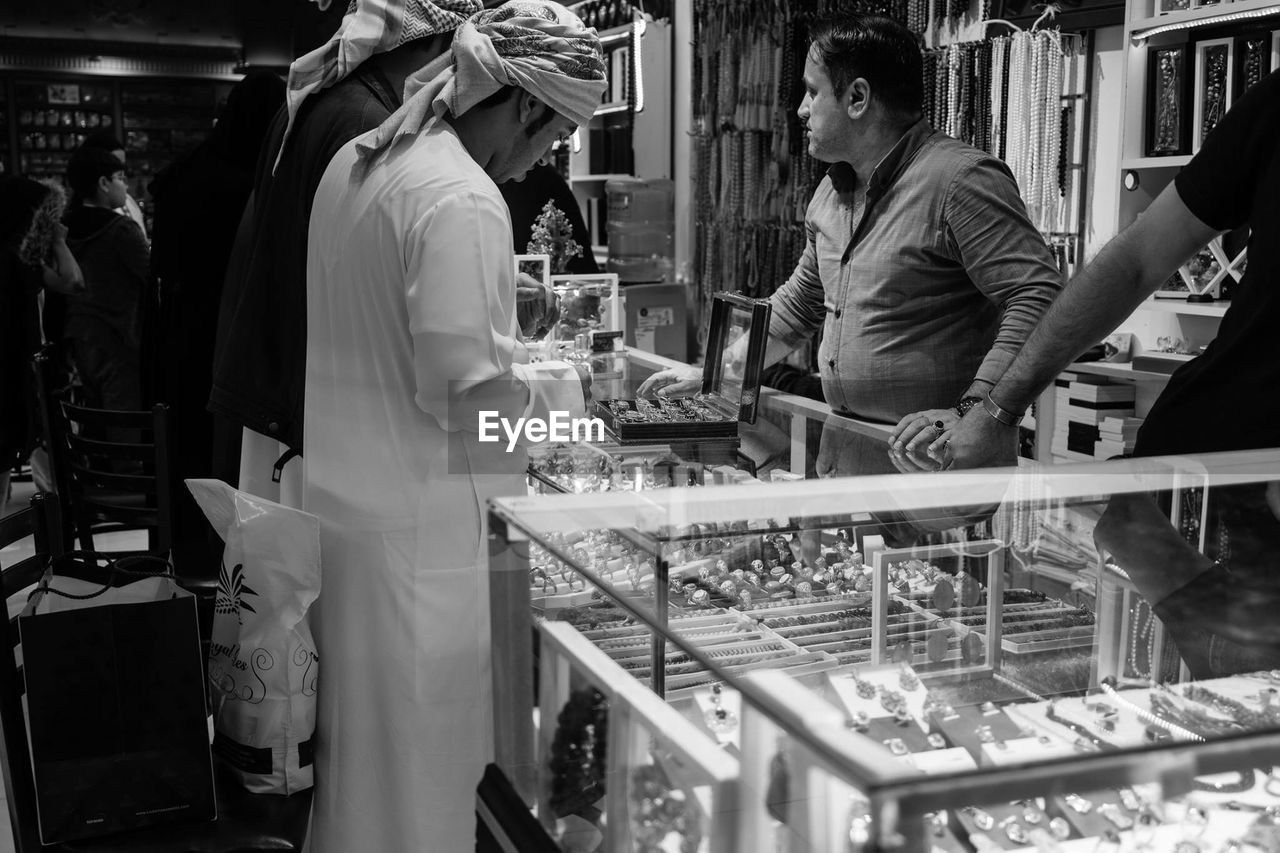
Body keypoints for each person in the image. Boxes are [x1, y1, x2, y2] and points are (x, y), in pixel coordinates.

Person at [302, 3, 605, 850]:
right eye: (554, 138)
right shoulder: (462, 198)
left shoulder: (356, 168)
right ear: (529, 106)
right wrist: (569, 414)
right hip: (421, 552)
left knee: (360, 781)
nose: (542, 160)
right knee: (426, 787)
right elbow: (468, 411)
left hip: (349, 525)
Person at [941, 69, 1280, 675]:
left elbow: (1117, 264)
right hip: (1201, 494)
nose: (804, 111)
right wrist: (997, 408)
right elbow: (1135, 260)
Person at [638, 14, 1061, 478]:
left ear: (857, 98)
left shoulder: (959, 181)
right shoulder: (833, 189)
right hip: (849, 454)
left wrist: (977, 411)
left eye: (813, 92)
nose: (801, 109)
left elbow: (1036, 295)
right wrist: (717, 373)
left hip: (938, 465)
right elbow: (801, 303)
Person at [209, 0, 482, 498]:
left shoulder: (321, 98)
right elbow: (368, 262)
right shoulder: (370, 122)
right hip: (314, 393)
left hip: (280, 376)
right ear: (439, 47)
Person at [148, 70, 285, 570]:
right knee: (215, 454)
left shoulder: (188, 170)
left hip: (176, 333)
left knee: (181, 451)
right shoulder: (247, 185)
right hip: (221, 335)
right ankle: (216, 567)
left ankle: (178, 566)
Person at [0, 177, 82, 515]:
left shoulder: (17, 258)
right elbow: (74, 280)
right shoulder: (15, 261)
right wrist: (60, 241)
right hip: (11, 377)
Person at [62, 147, 149, 415]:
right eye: (120, 178)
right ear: (103, 183)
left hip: (78, 340)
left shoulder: (64, 227)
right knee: (123, 427)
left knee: (92, 423)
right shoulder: (121, 230)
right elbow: (151, 274)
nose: (125, 185)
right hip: (120, 340)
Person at [80, 130, 148, 238]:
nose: (121, 172)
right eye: (115, 164)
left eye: (122, 166)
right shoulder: (81, 214)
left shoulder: (128, 201)